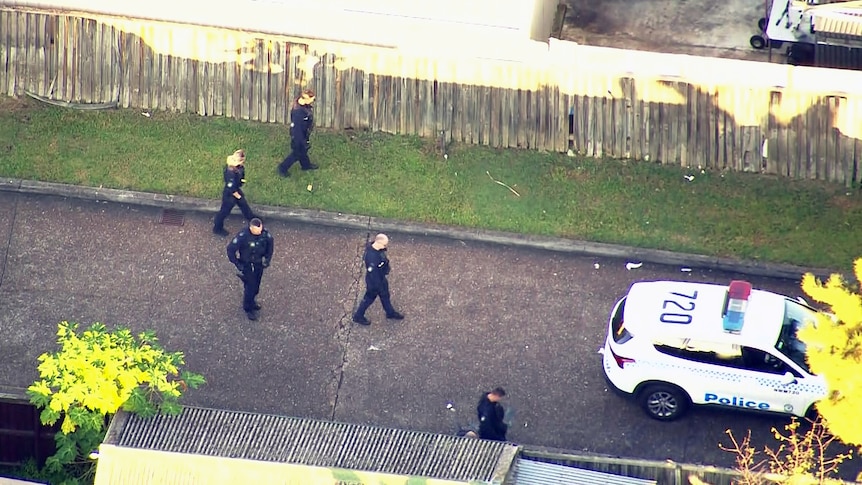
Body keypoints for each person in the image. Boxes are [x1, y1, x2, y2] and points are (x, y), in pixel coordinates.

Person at [226, 218, 273, 321]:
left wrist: (267, 259)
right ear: (251, 228)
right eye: (257, 230)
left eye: (261, 229)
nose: (260, 232)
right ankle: (248, 308)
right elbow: (230, 250)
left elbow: (270, 245)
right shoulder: (243, 236)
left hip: (258, 264)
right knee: (250, 288)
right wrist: (238, 264)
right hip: (248, 265)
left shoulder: (265, 234)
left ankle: (252, 300)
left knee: (256, 286)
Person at [352, 233, 404, 325]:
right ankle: (358, 316)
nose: (385, 247)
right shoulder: (372, 258)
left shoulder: (378, 250)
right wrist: (378, 286)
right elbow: (373, 275)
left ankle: (390, 312)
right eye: (384, 244)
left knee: (385, 296)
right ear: (379, 243)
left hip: (381, 279)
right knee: (368, 299)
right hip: (374, 283)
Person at [213, 149, 256, 237]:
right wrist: (238, 196)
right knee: (224, 212)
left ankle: (253, 219)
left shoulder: (238, 167)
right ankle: (217, 228)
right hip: (230, 195)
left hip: (236, 190)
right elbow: (231, 188)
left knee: (244, 205)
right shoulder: (230, 172)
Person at [277, 90, 319, 176]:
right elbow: (297, 130)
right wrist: (303, 141)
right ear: (306, 99)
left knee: (303, 151)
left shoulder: (304, 106)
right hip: (297, 136)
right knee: (296, 153)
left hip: (303, 133)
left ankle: (306, 165)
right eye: (312, 99)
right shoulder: (298, 112)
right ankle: (282, 168)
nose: (312, 102)